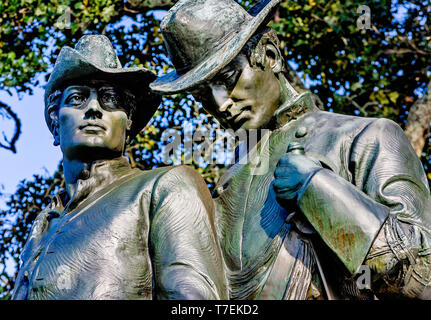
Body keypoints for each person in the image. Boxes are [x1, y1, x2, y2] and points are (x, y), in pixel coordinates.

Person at [150, 0, 431, 299]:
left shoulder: (367, 136)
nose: (220, 104)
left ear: (270, 56)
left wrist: (320, 191)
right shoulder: (225, 185)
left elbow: (422, 279)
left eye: (228, 79)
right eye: (202, 93)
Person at [12, 35, 228, 300]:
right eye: (77, 98)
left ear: (128, 125)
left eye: (110, 99)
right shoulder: (44, 227)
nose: (93, 108)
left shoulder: (165, 187)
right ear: (55, 124)